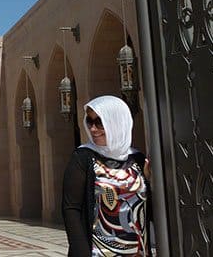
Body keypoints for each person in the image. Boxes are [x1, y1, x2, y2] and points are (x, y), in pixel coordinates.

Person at [62, 95, 151, 256]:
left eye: (99, 122)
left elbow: (148, 208)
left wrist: (150, 181)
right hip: (99, 251)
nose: (93, 129)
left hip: (137, 251)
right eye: (90, 121)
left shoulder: (137, 159)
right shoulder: (83, 158)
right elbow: (71, 209)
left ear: (117, 122)